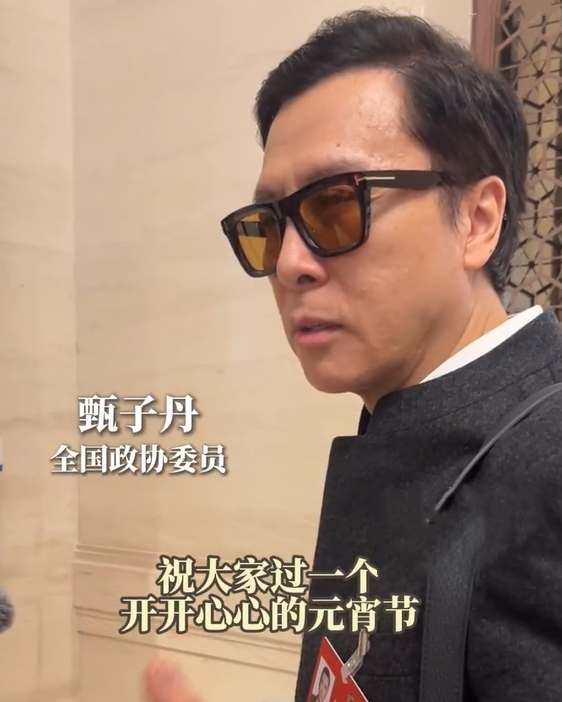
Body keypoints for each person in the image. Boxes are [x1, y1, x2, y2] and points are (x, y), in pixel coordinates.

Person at [144, 8, 562, 702]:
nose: (290, 264)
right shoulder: (407, 427)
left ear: (477, 220)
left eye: (338, 204)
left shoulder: (546, 463)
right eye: (270, 224)